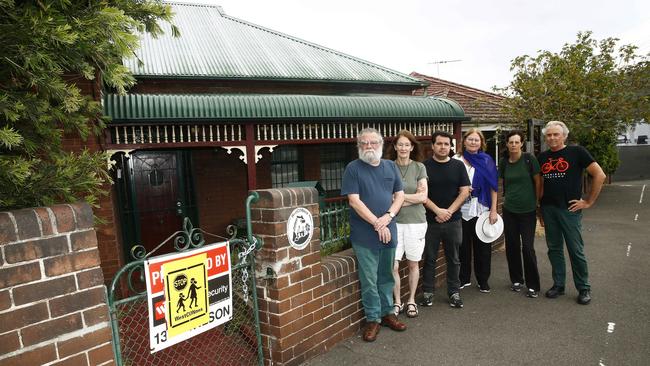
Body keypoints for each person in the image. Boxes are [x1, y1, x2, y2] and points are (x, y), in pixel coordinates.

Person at [341, 127, 407, 342]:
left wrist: (387, 217)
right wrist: (378, 224)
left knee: (386, 275)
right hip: (365, 234)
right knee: (369, 279)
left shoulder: (390, 166)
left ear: (381, 144)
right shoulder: (353, 168)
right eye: (364, 143)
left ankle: (388, 313)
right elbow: (354, 201)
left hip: (389, 231)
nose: (368, 146)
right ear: (359, 146)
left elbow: (400, 195)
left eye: (373, 142)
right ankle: (373, 319)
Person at [537, 121, 606, 305]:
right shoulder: (542, 157)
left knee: (576, 250)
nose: (552, 138)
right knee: (554, 249)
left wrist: (588, 201)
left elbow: (600, 175)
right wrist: (540, 210)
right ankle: (558, 285)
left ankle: (583, 288)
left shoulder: (577, 152)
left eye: (556, 134)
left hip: (569, 210)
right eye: (549, 135)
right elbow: (541, 185)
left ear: (564, 136)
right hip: (549, 209)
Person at [420, 131, 470, 309]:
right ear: (432, 146)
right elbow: (421, 194)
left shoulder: (458, 166)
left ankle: (454, 292)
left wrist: (448, 211)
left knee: (454, 258)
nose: (443, 147)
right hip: (430, 221)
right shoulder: (423, 167)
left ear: (451, 146)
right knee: (430, 258)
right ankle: (427, 292)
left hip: (453, 220)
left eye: (446, 144)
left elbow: (464, 191)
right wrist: (437, 211)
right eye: (439, 144)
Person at [385, 130, 428, 318]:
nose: (403, 148)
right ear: (395, 147)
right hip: (394, 223)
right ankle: (397, 302)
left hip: (416, 222)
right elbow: (385, 197)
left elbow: (423, 196)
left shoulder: (419, 168)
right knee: (393, 265)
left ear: (412, 147)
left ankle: (411, 300)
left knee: (413, 263)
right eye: (400, 144)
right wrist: (410, 198)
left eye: (407, 145)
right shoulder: (387, 168)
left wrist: (400, 197)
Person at [454, 129, 499, 293]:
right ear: (464, 141)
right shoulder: (456, 160)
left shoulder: (487, 160)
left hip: (481, 209)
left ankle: (483, 280)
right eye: (470, 139)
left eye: (476, 140)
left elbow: (494, 187)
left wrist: (494, 210)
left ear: (481, 143)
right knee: (462, 246)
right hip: (461, 209)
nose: (473, 142)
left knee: (483, 247)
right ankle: (464, 278)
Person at [499, 130, 542, 298]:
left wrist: (537, 202)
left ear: (522, 144)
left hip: (528, 211)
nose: (514, 145)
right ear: (507, 144)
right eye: (511, 142)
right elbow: (502, 183)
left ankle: (533, 285)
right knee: (512, 246)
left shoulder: (529, 160)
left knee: (528, 248)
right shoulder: (504, 162)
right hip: (509, 210)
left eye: (517, 142)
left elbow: (538, 181)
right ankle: (516, 279)